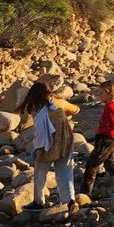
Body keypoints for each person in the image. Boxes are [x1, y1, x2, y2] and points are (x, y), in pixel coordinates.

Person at [18, 82, 80, 211]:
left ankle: (39, 201)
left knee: (40, 173)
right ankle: (70, 201)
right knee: (65, 172)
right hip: (64, 141)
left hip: (47, 144)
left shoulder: (35, 108)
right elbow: (76, 109)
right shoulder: (59, 103)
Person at [79, 81, 114, 198]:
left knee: (92, 165)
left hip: (107, 138)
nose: (99, 95)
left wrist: (99, 130)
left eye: (102, 93)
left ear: (111, 93)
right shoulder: (113, 103)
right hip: (113, 137)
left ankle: (85, 193)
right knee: (110, 164)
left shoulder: (111, 107)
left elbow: (113, 125)